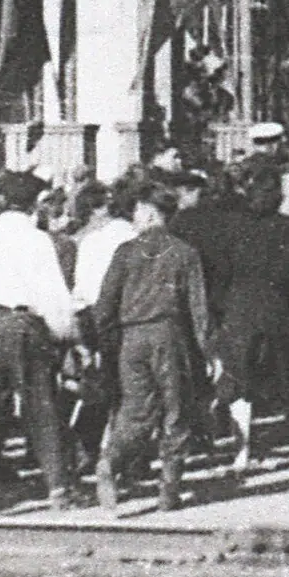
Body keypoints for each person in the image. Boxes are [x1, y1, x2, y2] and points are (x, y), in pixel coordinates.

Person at [0, 170, 81, 509]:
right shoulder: (37, 240)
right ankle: (57, 486)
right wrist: (65, 334)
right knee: (40, 404)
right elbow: (53, 296)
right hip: (23, 322)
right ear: (34, 205)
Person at [90, 185, 212, 513]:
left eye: (137, 210)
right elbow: (198, 309)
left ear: (148, 213)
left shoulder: (125, 252)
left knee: (135, 410)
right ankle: (169, 490)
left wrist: (108, 343)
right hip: (169, 336)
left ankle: (110, 462)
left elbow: (104, 307)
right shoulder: (185, 253)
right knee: (175, 411)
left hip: (132, 338)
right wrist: (207, 351)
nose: (134, 216)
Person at [213, 167, 289, 473]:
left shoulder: (231, 228)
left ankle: (242, 452)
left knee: (240, 383)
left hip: (239, 311)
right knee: (286, 379)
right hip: (276, 309)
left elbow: (222, 271)